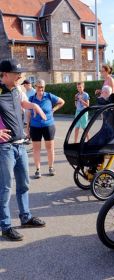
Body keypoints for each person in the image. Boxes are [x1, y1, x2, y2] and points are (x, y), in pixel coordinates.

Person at [0, 58, 47, 241]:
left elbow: (23, 104)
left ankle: (25, 217)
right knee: (5, 188)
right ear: (4, 75)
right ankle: (5, 226)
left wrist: (34, 105)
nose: (20, 75)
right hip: (5, 148)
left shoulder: (17, 89)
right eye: (16, 73)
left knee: (24, 185)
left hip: (20, 145)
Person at [26, 79, 65, 178]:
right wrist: (27, 127)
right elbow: (29, 113)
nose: (41, 89)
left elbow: (62, 102)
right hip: (35, 126)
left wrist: (53, 109)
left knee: (50, 148)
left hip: (48, 125)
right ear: (35, 87)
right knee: (36, 149)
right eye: (39, 87)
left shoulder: (49, 96)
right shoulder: (31, 98)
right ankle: (37, 170)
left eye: (42, 87)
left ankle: (51, 167)